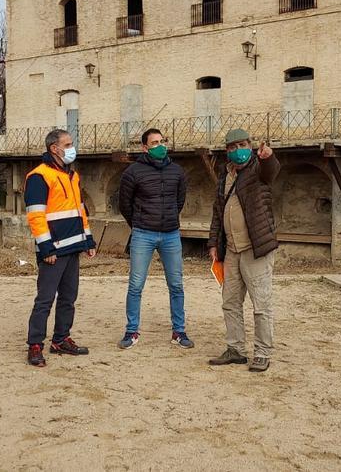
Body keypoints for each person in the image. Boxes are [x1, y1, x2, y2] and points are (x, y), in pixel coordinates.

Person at [206, 129, 280, 372]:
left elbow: (271, 172)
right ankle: (236, 349)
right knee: (230, 302)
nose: (237, 150)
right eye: (232, 146)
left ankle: (262, 352)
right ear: (227, 150)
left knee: (261, 304)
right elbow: (218, 211)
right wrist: (213, 243)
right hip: (232, 250)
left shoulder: (258, 169)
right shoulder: (224, 175)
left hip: (255, 248)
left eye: (241, 145)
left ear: (249, 145)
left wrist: (268, 157)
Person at [24, 128, 97, 367]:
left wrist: (88, 241)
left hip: (73, 247)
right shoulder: (39, 176)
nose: (71, 148)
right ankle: (35, 345)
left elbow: (80, 211)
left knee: (68, 298)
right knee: (45, 300)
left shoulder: (71, 176)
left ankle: (61, 339)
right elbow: (35, 216)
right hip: (53, 250)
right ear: (54, 149)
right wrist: (46, 249)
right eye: (67, 145)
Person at [116, 128, 192, 350]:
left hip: (171, 235)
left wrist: (167, 219)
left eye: (162, 141)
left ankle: (179, 331)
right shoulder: (132, 172)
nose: (160, 145)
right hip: (143, 234)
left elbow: (180, 201)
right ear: (145, 147)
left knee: (176, 284)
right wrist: (139, 223)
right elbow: (124, 204)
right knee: (136, 285)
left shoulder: (177, 171)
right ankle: (131, 332)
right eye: (155, 142)